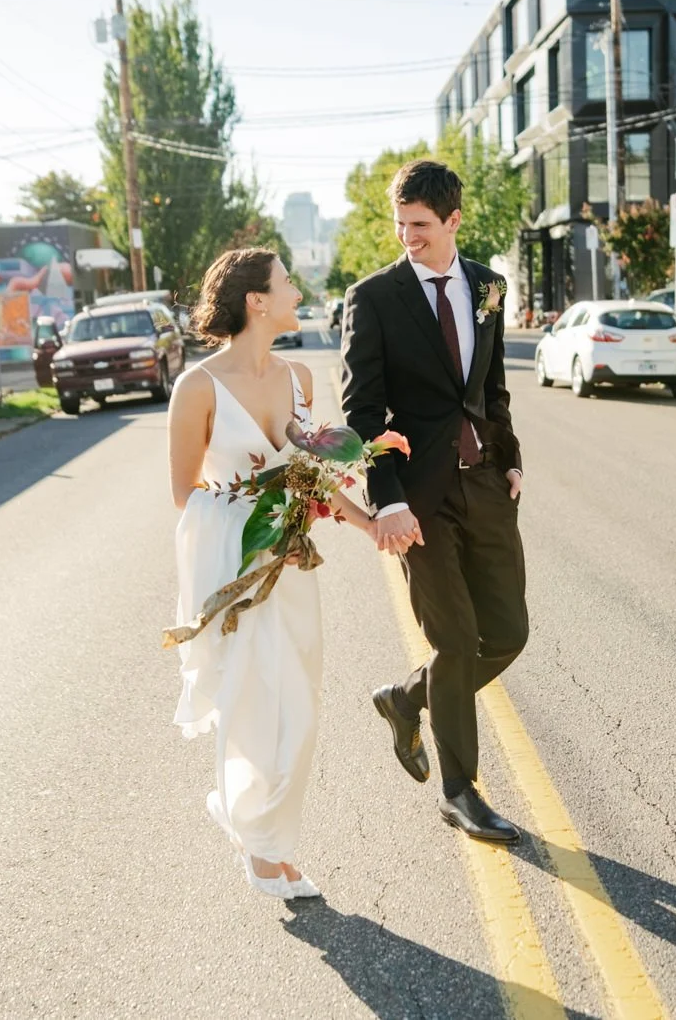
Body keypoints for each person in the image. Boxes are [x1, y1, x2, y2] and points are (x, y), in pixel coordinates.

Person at [168, 248, 375, 898]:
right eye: (287, 282)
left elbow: (312, 470)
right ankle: (265, 847)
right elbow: (184, 493)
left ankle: (256, 825)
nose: (297, 292)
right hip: (236, 570)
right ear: (257, 301)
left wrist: (369, 523)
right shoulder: (196, 387)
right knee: (253, 704)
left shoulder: (298, 378)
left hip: (290, 565)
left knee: (301, 710)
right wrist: (252, 513)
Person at [339, 160, 529, 844]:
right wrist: (386, 499)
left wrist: (510, 456)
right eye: (401, 224)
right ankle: (459, 792)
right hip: (417, 500)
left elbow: (492, 386)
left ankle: (405, 698)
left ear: (453, 220)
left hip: (486, 484)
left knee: (507, 634)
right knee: (453, 642)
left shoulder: (488, 287)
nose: (407, 236)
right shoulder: (373, 298)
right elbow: (362, 412)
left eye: (420, 224)